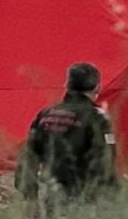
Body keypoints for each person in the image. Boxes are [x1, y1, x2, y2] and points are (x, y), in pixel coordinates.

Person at [15, 62, 117, 207]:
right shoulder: (97, 118)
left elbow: (28, 157)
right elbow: (106, 162)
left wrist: (30, 196)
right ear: (97, 87)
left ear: (67, 85)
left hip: (51, 198)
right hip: (85, 202)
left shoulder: (46, 114)